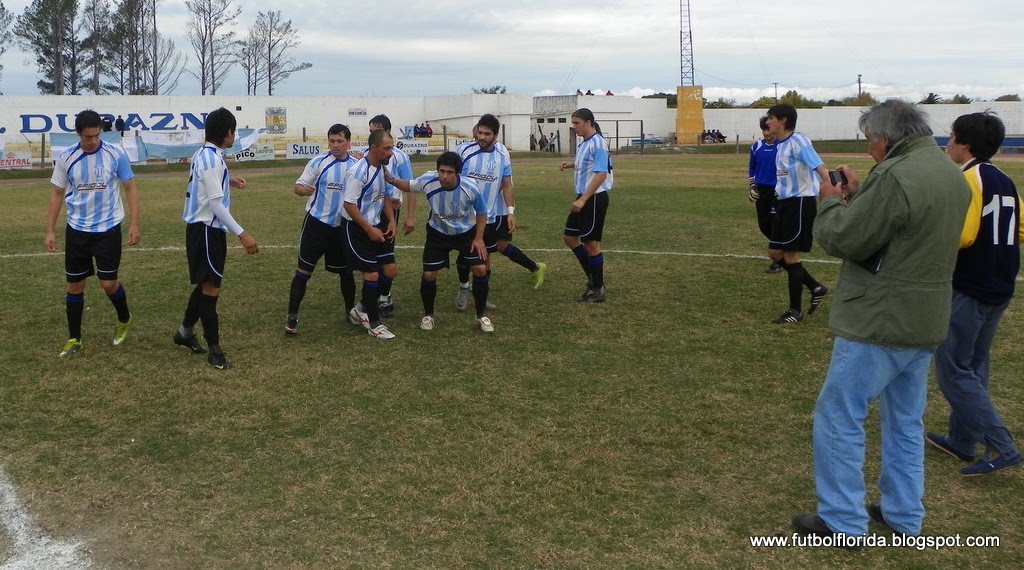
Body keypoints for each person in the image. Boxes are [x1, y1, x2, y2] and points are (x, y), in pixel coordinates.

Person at [792, 100, 971, 540]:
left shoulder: (896, 175)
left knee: (839, 415)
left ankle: (842, 520)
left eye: (870, 141)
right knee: (905, 422)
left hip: (881, 318)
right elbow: (902, 231)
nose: (869, 150)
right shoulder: (948, 171)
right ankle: (904, 514)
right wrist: (859, 197)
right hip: (925, 317)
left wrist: (830, 204)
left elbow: (847, 239)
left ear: (886, 139)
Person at [927, 112, 1022, 476]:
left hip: (971, 285)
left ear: (964, 143)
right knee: (974, 364)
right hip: (1001, 283)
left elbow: (964, 235)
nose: (948, 143)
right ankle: (963, 440)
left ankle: (1001, 445)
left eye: (951, 137)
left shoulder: (967, 178)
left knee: (953, 368)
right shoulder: (1003, 178)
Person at [46, 109, 140, 358]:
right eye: (88, 137)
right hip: (77, 230)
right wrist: (50, 230)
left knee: (108, 283)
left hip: (108, 229)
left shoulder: (115, 154)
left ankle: (124, 317)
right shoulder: (66, 158)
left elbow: (130, 187)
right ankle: (74, 339)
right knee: (75, 286)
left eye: (97, 135)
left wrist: (134, 223)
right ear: (78, 134)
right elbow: (57, 193)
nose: (94, 140)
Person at [173, 107, 260, 370]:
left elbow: (205, 182)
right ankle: (215, 351)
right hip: (206, 231)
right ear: (227, 133)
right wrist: (242, 233)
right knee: (211, 290)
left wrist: (227, 181)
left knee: (205, 285)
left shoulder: (205, 153)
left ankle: (185, 332)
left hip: (203, 230)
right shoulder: (212, 159)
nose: (235, 135)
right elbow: (215, 205)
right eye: (234, 131)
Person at [384, 151, 493, 333]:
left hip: (466, 233)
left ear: (457, 173)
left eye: (449, 172)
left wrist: (479, 238)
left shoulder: (470, 187)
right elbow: (409, 185)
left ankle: (481, 316)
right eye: (442, 171)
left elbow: (482, 212)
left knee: (480, 269)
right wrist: (392, 180)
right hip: (438, 233)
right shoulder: (428, 180)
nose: (444, 176)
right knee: (429, 274)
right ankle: (428, 315)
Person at [454, 114, 546, 311]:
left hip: (489, 215)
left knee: (485, 254)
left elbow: (507, 183)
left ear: (496, 136)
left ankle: (481, 295)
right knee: (464, 256)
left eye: (487, 134)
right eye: (480, 133)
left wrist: (510, 212)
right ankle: (463, 287)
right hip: (464, 214)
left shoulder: (502, 153)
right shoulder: (463, 151)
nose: (482, 137)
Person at [283, 124, 358, 335]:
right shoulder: (318, 162)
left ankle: (350, 311)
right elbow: (298, 186)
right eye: (332, 141)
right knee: (303, 272)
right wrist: (303, 190)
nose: (335, 145)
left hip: (342, 227)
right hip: (316, 224)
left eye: (340, 141)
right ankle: (291, 317)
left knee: (346, 273)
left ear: (348, 142)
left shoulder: (356, 166)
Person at [764, 103, 831, 324]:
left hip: (800, 203)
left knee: (791, 256)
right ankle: (816, 287)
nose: (767, 121)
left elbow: (820, 168)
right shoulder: (780, 144)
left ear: (783, 120)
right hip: (784, 203)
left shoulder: (798, 141)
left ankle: (795, 311)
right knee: (775, 253)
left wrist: (832, 188)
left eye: (771, 117)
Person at [343, 128, 398, 340]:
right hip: (357, 229)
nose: (391, 152)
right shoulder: (359, 172)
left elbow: (384, 196)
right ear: (374, 148)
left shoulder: (382, 167)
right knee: (372, 274)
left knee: (390, 270)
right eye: (387, 148)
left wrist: (391, 220)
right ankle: (374, 325)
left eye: (391, 148)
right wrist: (368, 229)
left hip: (376, 225)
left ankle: (361, 308)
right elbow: (349, 205)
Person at [364, 114, 416, 318]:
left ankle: (384, 296)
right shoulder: (365, 154)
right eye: (370, 131)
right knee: (370, 257)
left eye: (375, 131)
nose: (371, 135)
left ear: (387, 131)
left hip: (389, 213)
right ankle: (370, 296)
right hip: (367, 212)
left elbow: (411, 187)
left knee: (386, 259)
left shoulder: (399, 157)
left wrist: (410, 217)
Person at [560, 108, 612, 303]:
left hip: (594, 198)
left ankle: (597, 289)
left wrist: (583, 200)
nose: (574, 127)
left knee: (591, 243)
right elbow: (588, 165)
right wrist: (571, 165)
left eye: (577, 123)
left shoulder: (598, 143)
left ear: (589, 122)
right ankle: (593, 277)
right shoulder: (585, 143)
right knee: (570, 237)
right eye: (573, 123)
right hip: (584, 197)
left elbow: (601, 173)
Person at [748, 116, 781, 273]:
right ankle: (783, 248)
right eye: (763, 129)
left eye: (768, 129)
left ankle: (778, 260)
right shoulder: (756, 147)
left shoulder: (782, 146)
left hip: (777, 191)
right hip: (761, 191)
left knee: (775, 224)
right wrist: (752, 187)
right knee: (764, 225)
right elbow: (752, 168)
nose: (766, 133)